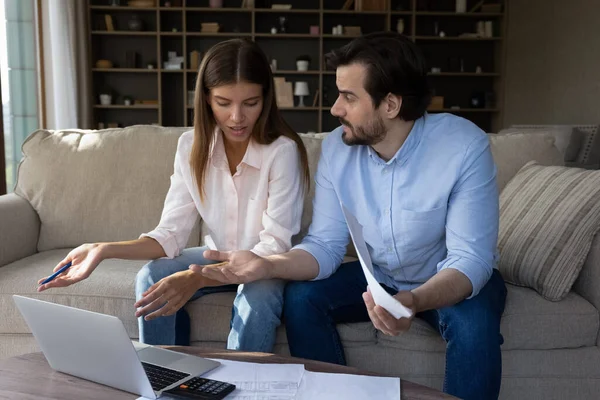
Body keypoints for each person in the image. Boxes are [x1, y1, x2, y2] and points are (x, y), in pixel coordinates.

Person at [190, 32, 507, 400]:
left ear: (390, 104)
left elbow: (470, 259)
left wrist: (415, 300)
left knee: (475, 325)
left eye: (349, 97)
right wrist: (267, 265)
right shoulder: (337, 150)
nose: (335, 108)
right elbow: (325, 245)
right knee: (302, 299)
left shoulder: (464, 146)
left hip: (447, 275)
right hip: (379, 276)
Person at [37, 38, 310, 352]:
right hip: (216, 254)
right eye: (224, 102)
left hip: (266, 264)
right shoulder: (190, 147)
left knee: (258, 297)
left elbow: (274, 246)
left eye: (250, 103)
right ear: (206, 98)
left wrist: (198, 278)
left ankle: (241, 385)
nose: (237, 116)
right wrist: (102, 249)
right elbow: (169, 235)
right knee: (153, 275)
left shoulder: (282, 151)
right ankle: (163, 379)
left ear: (266, 98)